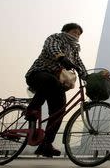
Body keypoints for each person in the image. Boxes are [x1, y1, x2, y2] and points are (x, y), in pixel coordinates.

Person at [25, 23, 88, 157]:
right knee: (50, 81)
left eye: (78, 34)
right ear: (66, 31)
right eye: (74, 32)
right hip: (39, 74)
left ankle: (46, 144)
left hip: (56, 84)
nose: (76, 35)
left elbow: (79, 64)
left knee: (59, 112)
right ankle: (32, 109)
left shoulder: (74, 50)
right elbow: (52, 48)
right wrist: (61, 57)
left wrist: (87, 76)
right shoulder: (56, 38)